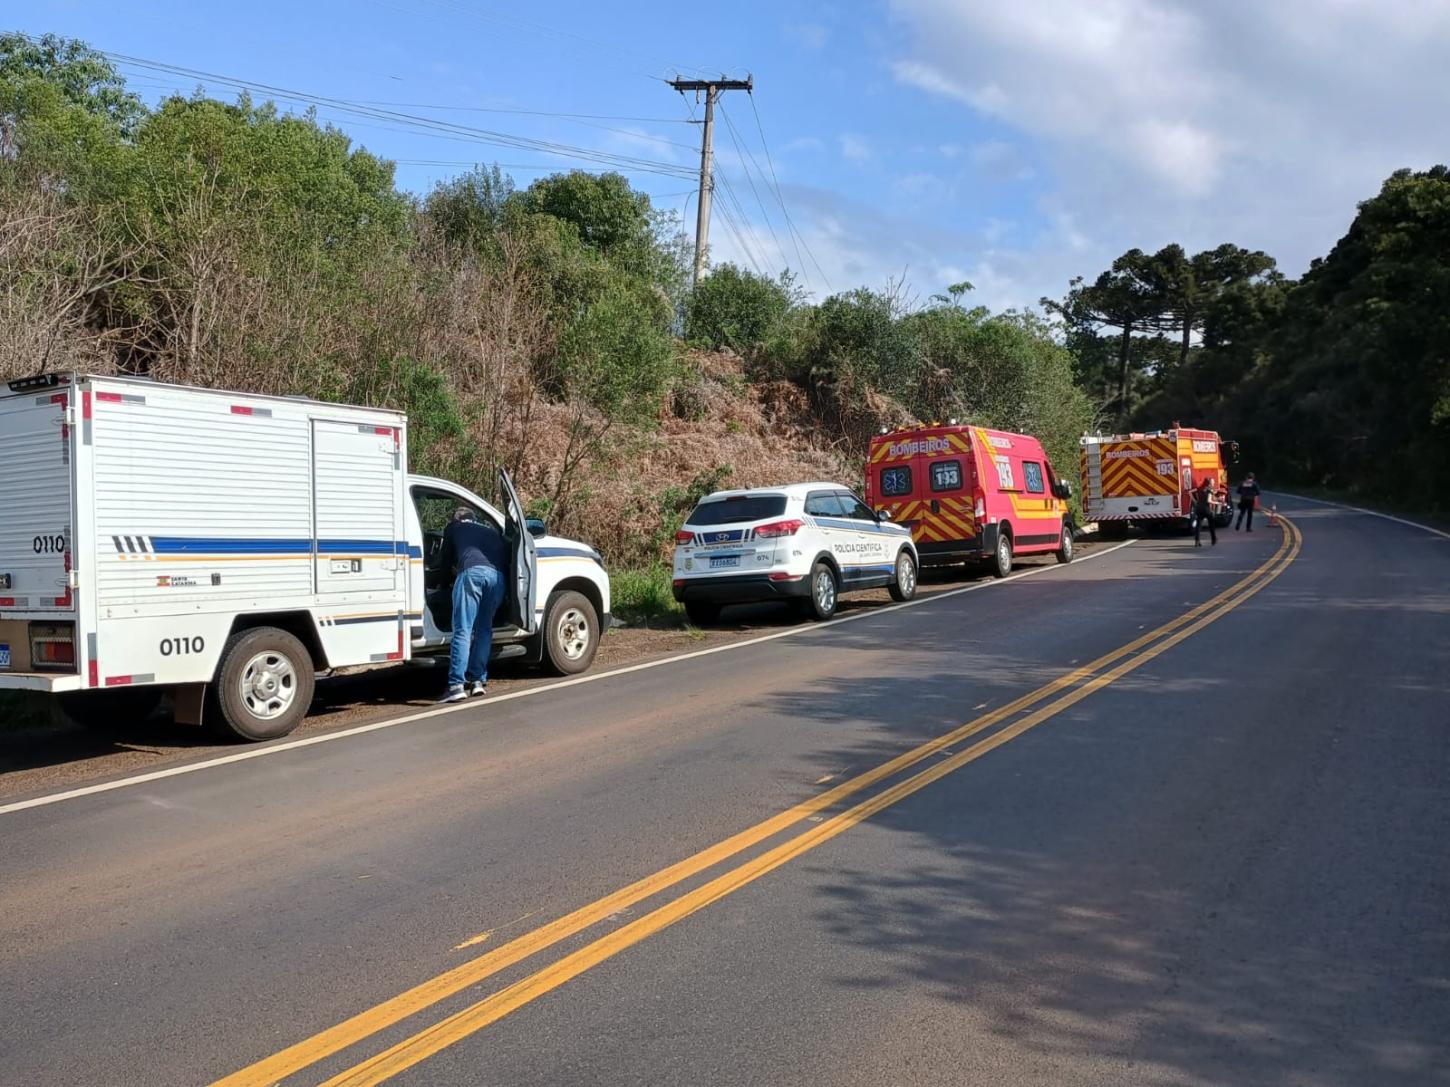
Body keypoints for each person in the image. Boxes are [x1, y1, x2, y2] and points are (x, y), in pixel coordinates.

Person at [433, 507, 509, 703]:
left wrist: (440, 586)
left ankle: (456, 685)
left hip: (471, 575)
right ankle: (477, 681)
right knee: (484, 629)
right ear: (473, 519)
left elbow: (445, 560)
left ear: (457, 519)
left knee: (463, 629)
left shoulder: (453, 528)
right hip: (497, 578)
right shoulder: (491, 531)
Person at [1192, 477, 1217, 547]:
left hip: (1199, 508)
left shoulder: (1199, 488)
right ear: (1209, 483)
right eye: (1211, 482)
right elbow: (1209, 501)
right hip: (1206, 509)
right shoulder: (1209, 490)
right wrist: (1217, 503)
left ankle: (1197, 541)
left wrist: (1194, 500)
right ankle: (1213, 539)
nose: (1213, 483)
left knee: (1198, 525)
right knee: (1211, 524)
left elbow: (1190, 492)